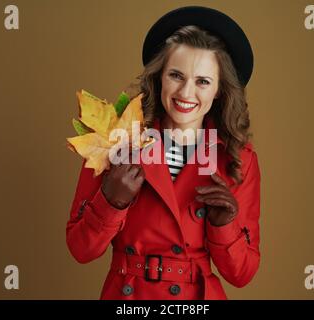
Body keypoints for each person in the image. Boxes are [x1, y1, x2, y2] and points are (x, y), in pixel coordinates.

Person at [66, 6, 261, 300]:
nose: (186, 93)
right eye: (176, 75)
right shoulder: (115, 140)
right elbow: (80, 250)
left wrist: (225, 226)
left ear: (220, 90)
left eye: (203, 81)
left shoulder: (237, 158)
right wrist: (111, 202)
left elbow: (242, 275)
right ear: (159, 77)